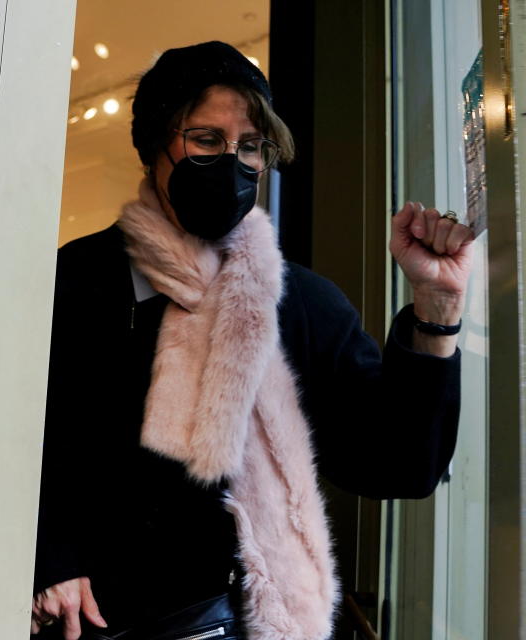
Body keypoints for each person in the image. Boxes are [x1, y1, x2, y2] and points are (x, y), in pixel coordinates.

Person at [31, 42, 473, 640]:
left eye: (248, 147)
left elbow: (399, 464)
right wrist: (49, 557)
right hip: (99, 621)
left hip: (249, 623)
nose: (231, 164)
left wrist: (437, 305)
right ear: (153, 146)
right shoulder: (80, 279)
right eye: (206, 141)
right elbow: (23, 435)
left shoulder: (300, 302)